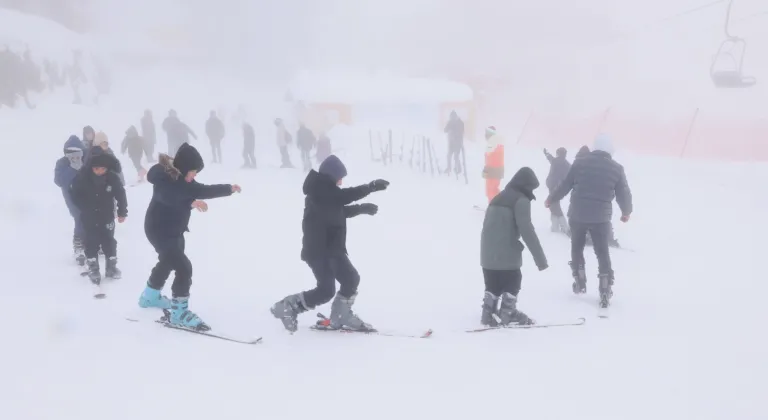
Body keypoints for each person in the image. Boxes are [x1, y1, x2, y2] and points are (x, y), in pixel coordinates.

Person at [270, 155, 389, 333]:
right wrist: (370, 187)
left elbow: (338, 210)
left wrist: (361, 209)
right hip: (319, 251)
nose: (341, 182)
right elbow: (343, 197)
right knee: (326, 290)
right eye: (340, 178)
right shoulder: (320, 190)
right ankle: (287, 307)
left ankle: (341, 315)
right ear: (331, 176)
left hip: (333, 248)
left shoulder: (327, 192)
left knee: (351, 279)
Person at [137, 143, 241, 330]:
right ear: (183, 169)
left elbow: (204, 190)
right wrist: (190, 202)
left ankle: (149, 296)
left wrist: (228, 189)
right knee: (184, 268)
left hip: (175, 231)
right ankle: (179, 313)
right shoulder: (164, 180)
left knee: (168, 262)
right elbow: (168, 196)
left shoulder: (187, 182)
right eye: (193, 171)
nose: (194, 176)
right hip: (159, 230)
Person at [545, 134, 632, 309]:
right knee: (602, 252)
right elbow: (624, 193)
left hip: (577, 214)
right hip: (601, 218)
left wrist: (551, 199)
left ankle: (579, 279)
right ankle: (605, 289)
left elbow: (565, 185)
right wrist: (626, 212)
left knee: (576, 247)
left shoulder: (580, 163)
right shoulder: (616, 168)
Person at [480, 167, 548, 326]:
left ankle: (488, 312)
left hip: (487, 255)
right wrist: (541, 260)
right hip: (507, 254)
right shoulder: (520, 200)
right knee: (513, 280)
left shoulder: (497, 198)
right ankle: (508, 313)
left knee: (493, 283)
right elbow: (527, 230)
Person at [69, 152, 128, 285]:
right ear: (91, 168)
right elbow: (74, 194)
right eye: (96, 169)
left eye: (102, 169)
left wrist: (122, 211)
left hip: (107, 215)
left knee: (109, 240)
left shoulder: (112, 178)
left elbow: (120, 195)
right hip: (88, 216)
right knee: (91, 241)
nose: (99, 171)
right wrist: (83, 206)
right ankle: (93, 267)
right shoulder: (83, 178)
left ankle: (111, 266)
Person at [54, 135, 87, 265]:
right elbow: (59, 181)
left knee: (91, 216)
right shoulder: (62, 163)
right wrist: (72, 169)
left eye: (76, 151)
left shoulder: (87, 160)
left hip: (87, 193)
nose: (73, 155)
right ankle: (78, 245)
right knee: (79, 216)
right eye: (69, 152)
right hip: (70, 194)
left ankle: (94, 241)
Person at [543, 147, 571, 235]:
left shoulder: (555, 161)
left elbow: (549, 158)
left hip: (553, 186)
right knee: (553, 205)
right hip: (559, 187)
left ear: (558, 153)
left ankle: (565, 228)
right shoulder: (567, 164)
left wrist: (546, 153)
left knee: (554, 205)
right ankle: (555, 226)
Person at [482, 126, 504, 203]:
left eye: (487, 134)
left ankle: (495, 206)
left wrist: (487, 169)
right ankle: (496, 204)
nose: (485, 136)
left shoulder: (493, 143)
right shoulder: (496, 143)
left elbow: (490, 157)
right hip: (495, 170)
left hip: (494, 170)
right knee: (492, 189)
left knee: (491, 190)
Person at [443, 110, 464, 174]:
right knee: (449, 155)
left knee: (456, 156)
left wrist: (454, 133)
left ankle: (458, 169)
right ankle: (449, 168)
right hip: (451, 142)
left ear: (455, 117)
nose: (451, 118)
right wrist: (448, 129)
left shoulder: (460, 123)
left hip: (458, 142)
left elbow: (461, 132)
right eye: (451, 117)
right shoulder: (450, 122)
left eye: (452, 117)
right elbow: (445, 130)